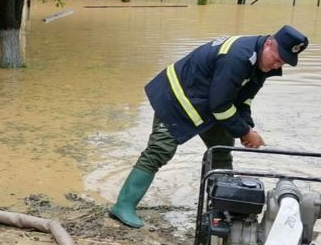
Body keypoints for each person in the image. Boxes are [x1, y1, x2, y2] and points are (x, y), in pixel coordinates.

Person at [109, 25, 309, 228]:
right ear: (269, 43)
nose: (277, 65)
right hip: (177, 98)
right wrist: (244, 132)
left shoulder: (263, 64)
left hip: (207, 101)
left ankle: (221, 207)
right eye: (276, 58)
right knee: (160, 151)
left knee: (222, 151)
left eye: (282, 62)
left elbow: (245, 98)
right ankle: (123, 205)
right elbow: (221, 106)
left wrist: (246, 127)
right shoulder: (237, 57)